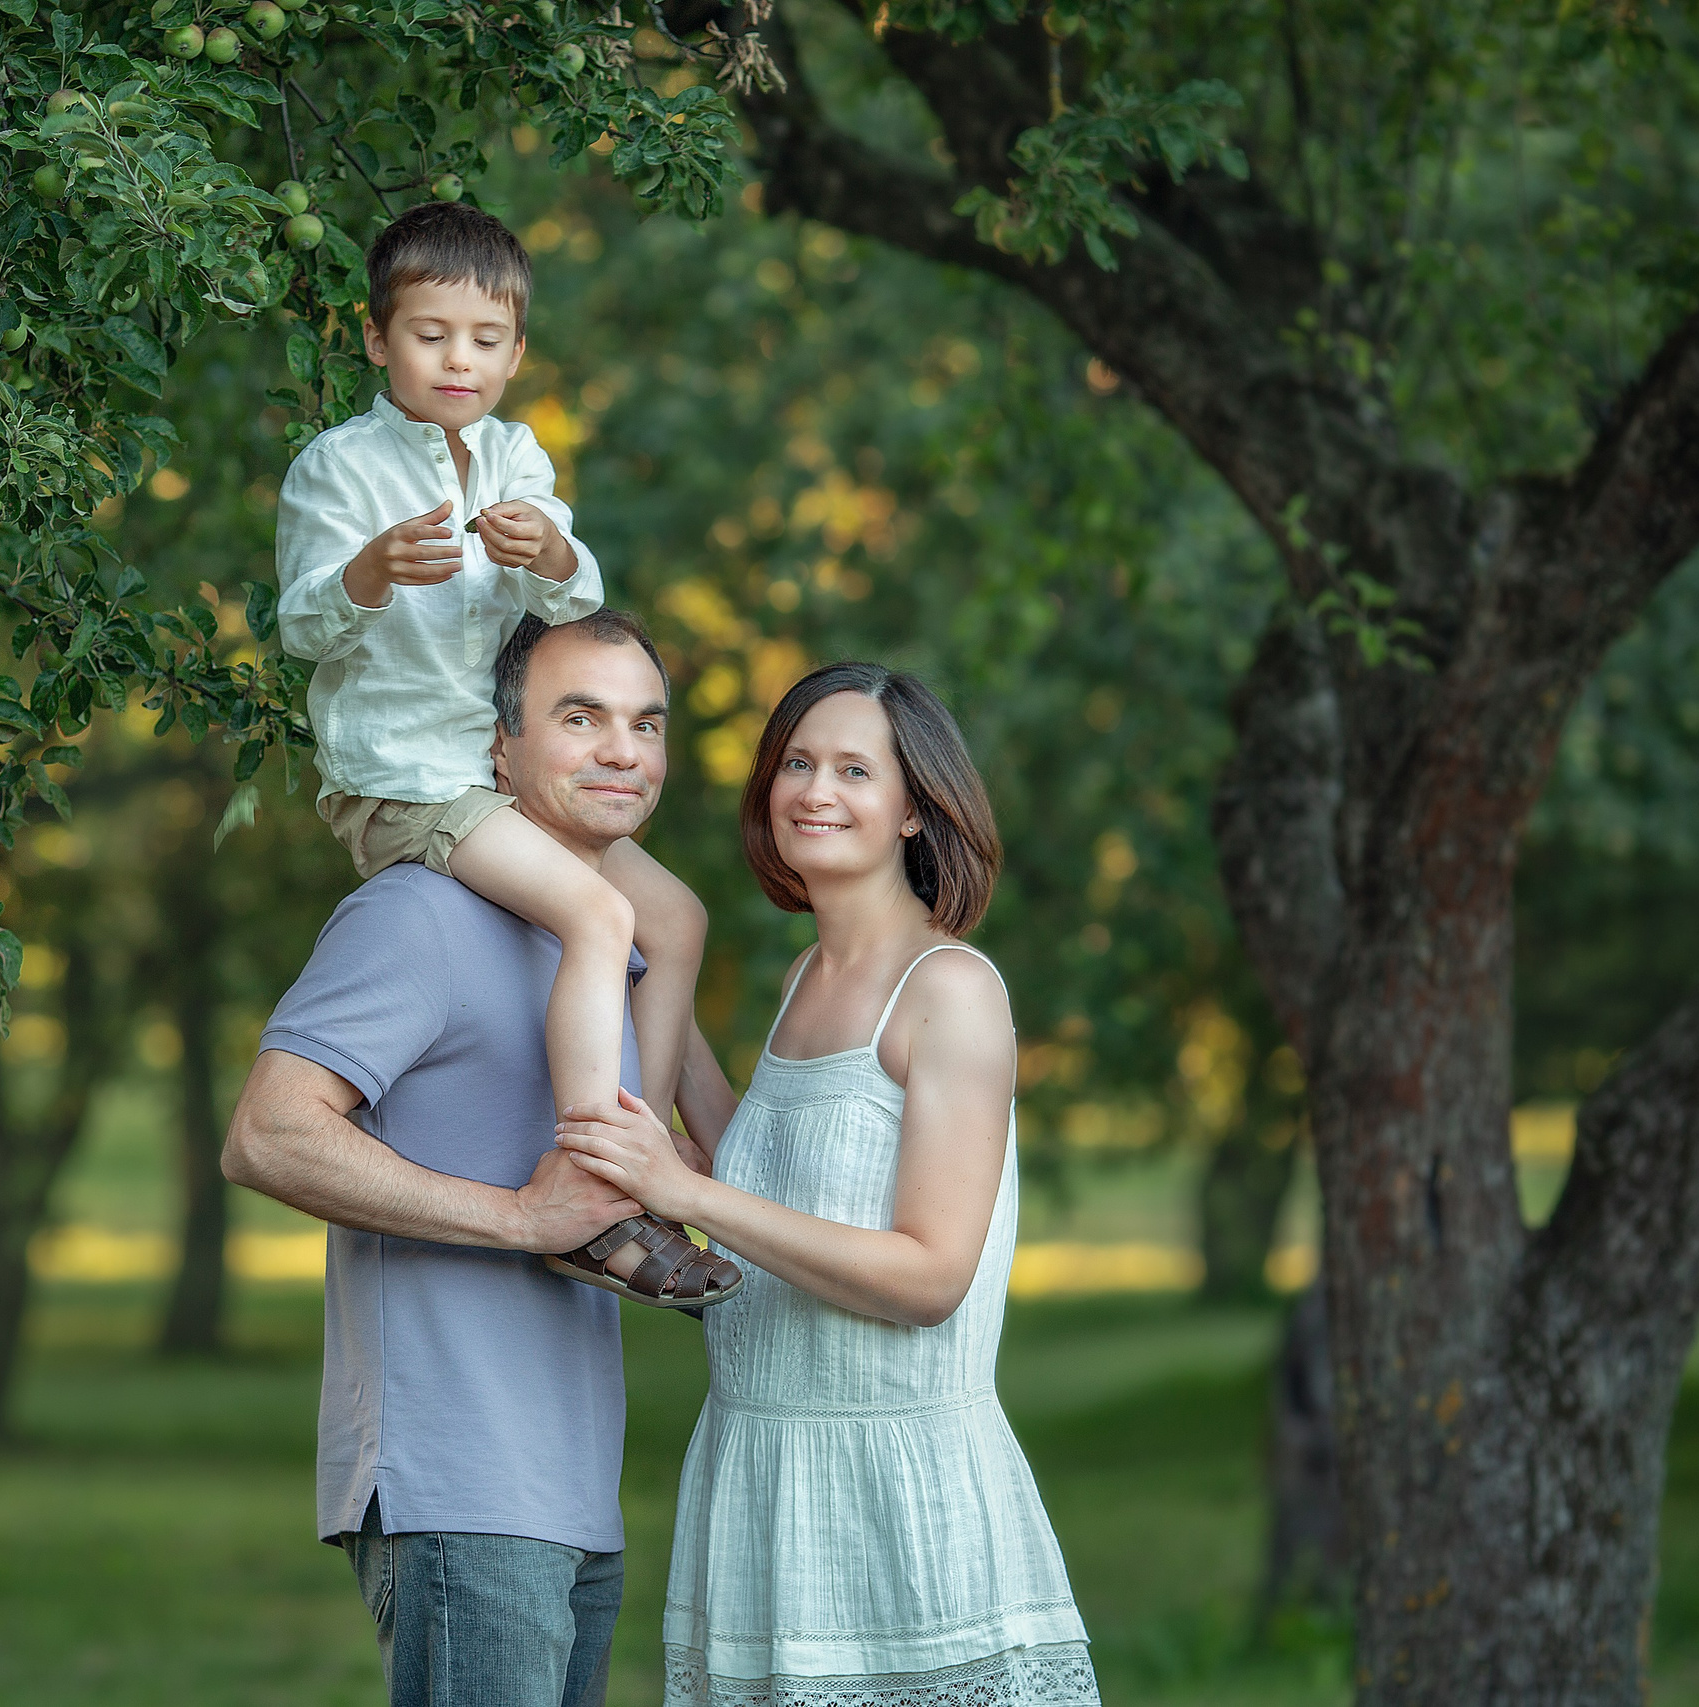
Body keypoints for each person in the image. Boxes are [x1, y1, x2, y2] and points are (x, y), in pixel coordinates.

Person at [221, 612, 744, 1707]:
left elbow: (715, 1150)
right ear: (496, 747)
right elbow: (268, 1132)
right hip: (456, 1484)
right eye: (579, 717)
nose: (622, 750)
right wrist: (518, 1217)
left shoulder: (603, 952)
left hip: (570, 1489)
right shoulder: (416, 913)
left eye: (646, 724)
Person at [556, 663, 1104, 1706]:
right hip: (762, 1481)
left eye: (855, 769)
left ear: (912, 810)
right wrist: (628, 943)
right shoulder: (807, 980)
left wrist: (686, 1194)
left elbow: (929, 1276)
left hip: (895, 1502)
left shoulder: (949, 991)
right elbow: (754, 1173)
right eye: (798, 763)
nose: (816, 789)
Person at [275, 200, 726, 1308]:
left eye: (484, 341)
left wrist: (556, 552)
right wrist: (370, 573)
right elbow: (298, 627)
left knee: (674, 918)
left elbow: (576, 605)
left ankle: (645, 1169)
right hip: (405, 781)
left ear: (517, 351)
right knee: (598, 916)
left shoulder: (517, 455)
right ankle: (588, 1182)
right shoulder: (335, 471)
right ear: (378, 338)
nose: (458, 360)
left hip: (490, 778)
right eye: (430, 335)